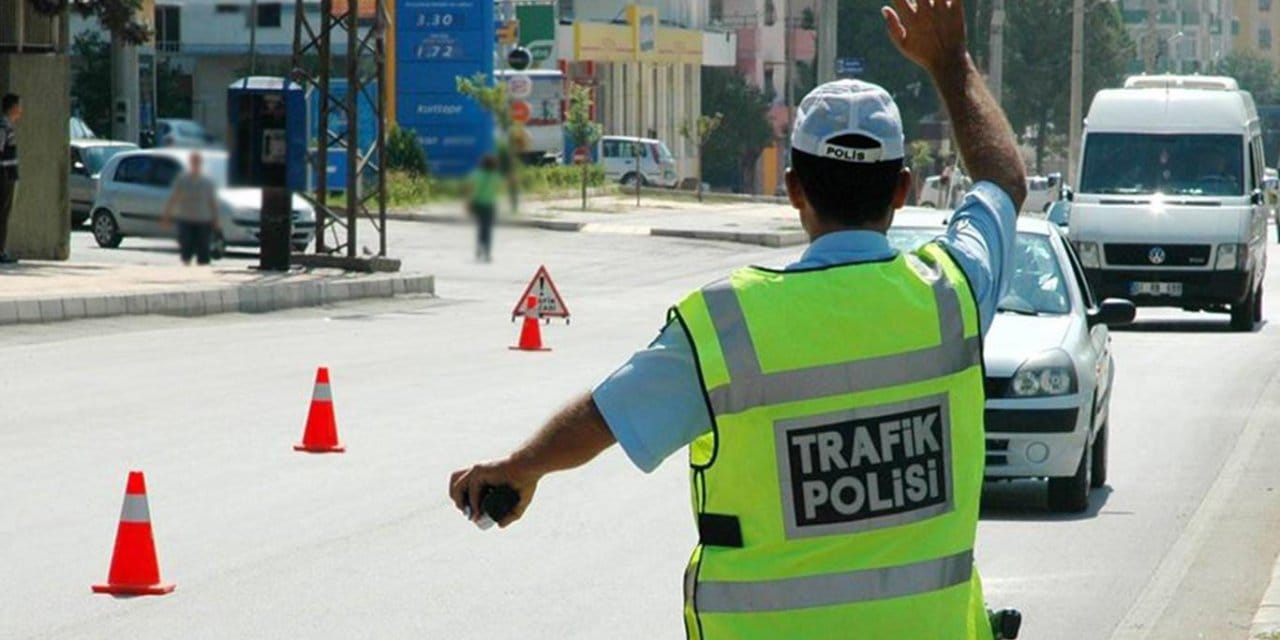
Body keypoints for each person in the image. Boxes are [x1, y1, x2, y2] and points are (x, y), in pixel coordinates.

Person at [449, 1, 1027, 637]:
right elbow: (1003, 181)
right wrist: (952, 65)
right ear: (902, 190)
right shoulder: (953, 294)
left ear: (794, 189)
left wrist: (520, 468)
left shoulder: (727, 326)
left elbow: (605, 415)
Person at [160, 151, 220, 266]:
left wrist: (215, 220)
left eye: (198, 162)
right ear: (190, 163)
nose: (195, 164)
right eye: (194, 162)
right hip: (185, 218)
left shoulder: (207, 181)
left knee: (203, 250)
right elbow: (174, 198)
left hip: (203, 220)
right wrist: (166, 217)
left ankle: (202, 271)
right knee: (186, 247)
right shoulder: (183, 179)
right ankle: (186, 268)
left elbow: (212, 201)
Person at [0, 93, 22, 264]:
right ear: (13, 107)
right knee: (3, 212)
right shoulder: (4, 126)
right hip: (4, 174)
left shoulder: (8, 126)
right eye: (19, 106)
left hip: (9, 174)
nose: (21, 110)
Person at [467, 154, 501, 262]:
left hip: (478, 205)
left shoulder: (477, 175)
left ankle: (479, 248)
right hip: (490, 205)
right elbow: (496, 189)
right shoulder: (495, 176)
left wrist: (470, 203)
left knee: (481, 228)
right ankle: (487, 253)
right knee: (488, 229)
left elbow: (472, 189)